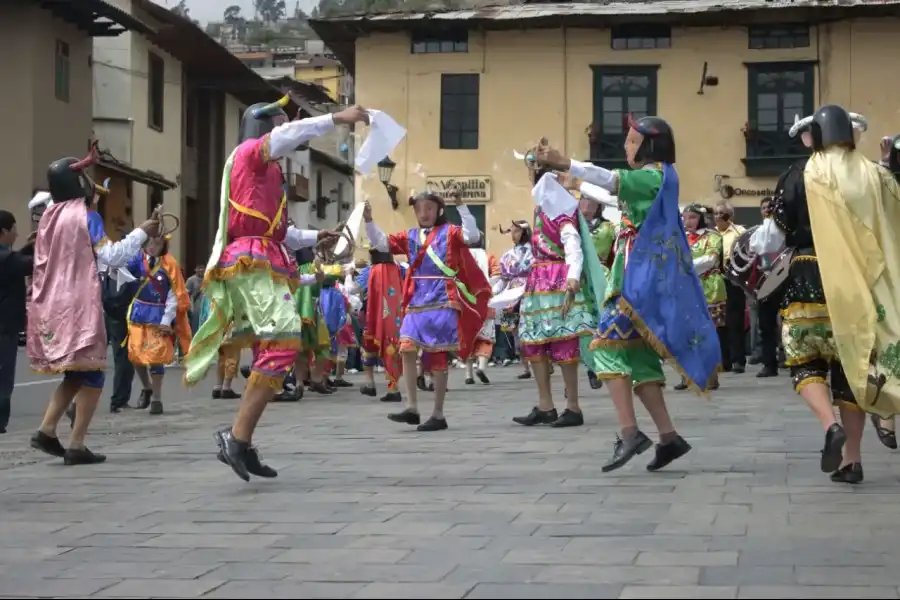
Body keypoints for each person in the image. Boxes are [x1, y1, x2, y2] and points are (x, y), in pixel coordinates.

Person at [184, 97, 369, 481]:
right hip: (250, 260)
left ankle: (242, 439)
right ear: (261, 128)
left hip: (265, 256)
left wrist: (318, 234)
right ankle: (236, 437)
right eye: (278, 126)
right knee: (284, 340)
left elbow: (282, 232)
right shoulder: (250, 154)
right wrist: (336, 118)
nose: (284, 136)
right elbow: (287, 136)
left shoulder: (270, 176)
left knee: (277, 346)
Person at [536, 115, 721, 472]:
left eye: (632, 141)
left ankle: (630, 432)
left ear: (649, 146)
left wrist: (565, 162)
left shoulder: (652, 177)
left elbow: (611, 180)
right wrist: (570, 180)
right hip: (638, 281)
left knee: (603, 349)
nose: (626, 146)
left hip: (635, 284)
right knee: (638, 362)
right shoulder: (661, 177)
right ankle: (668, 437)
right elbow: (606, 189)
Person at [751, 106, 900, 483]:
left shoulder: (799, 173)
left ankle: (828, 424)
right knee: (852, 370)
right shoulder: (873, 174)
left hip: (807, 277)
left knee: (805, 362)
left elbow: (773, 237)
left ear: (814, 135)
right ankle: (852, 460)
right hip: (856, 283)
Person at [28, 148, 157, 464]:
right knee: (94, 373)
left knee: (74, 373)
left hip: (51, 301)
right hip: (79, 303)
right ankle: (76, 443)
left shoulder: (49, 217)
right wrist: (143, 231)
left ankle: (47, 430)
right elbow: (110, 256)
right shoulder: (86, 217)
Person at [363, 188, 490, 431]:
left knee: (437, 355)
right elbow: (381, 243)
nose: (424, 213)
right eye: (419, 208)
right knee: (407, 348)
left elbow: (472, 236)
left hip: (443, 297)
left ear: (439, 210)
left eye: (429, 208)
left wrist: (461, 205)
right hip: (416, 298)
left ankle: (438, 413)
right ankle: (412, 407)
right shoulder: (409, 236)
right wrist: (369, 220)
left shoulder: (451, 232)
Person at [125, 235, 192, 415]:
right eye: (150, 243)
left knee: (156, 356)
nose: (153, 246)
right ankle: (146, 387)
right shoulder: (134, 260)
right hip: (137, 314)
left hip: (159, 314)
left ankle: (157, 398)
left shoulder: (170, 263)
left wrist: (166, 320)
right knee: (135, 355)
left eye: (158, 243)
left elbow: (174, 294)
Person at [675, 204, 725, 391]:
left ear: (702, 219)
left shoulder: (713, 237)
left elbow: (711, 259)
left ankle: (711, 375)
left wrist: (683, 267)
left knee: (707, 332)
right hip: (684, 288)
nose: (688, 222)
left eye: (692, 218)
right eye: (685, 217)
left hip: (708, 287)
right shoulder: (679, 238)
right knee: (683, 332)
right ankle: (685, 375)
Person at [0, 210, 36, 434]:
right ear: (4, 231)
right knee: (4, 375)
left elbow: (17, 259)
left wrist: (29, 246)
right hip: (4, 326)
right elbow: (31, 265)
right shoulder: (7, 259)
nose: (17, 233)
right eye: (14, 229)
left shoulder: (8, 257)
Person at [359, 248, 403, 403]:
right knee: (392, 348)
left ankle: (370, 383)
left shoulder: (371, 270)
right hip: (394, 318)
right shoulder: (398, 268)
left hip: (375, 316)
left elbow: (357, 288)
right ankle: (393, 388)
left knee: (367, 347)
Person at [493, 221, 534, 376]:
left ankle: (543, 360)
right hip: (511, 294)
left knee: (531, 326)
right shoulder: (508, 255)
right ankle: (525, 367)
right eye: (512, 231)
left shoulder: (535, 251)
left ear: (524, 232)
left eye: (516, 231)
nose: (513, 235)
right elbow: (503, 279)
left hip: (530, 291)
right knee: (513, 330)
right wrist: (493, 292)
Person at [713, 202, 747, 373]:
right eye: (716, 213)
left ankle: (738, 360)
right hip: (715, 281)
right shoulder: (710, 234)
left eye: (722, 213)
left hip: (734, 280)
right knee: (719, 322)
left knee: (735, 321)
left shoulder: (739, 232)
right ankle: (723, 360)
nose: (718, 216)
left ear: (730, 215)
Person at [465, 230, 498, 385]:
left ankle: (468, 374)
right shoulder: (488, 257)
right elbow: (497, 275)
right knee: (486, 338)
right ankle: (482, 367)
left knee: (468, 339)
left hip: (466, 303)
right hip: (485, 302)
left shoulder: (461, 256)